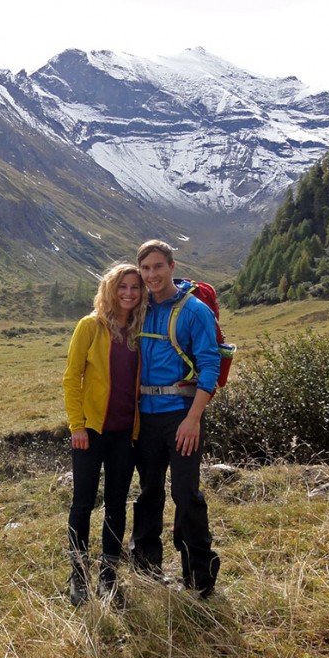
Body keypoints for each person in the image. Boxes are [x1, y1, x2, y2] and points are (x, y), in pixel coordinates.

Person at [129, 239, 222, 598]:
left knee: (186, 495)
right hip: (146, 418)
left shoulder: (194, 310)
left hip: (182, 415)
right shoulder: (139, 306)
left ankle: (200, 577)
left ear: (171, 266)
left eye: (157, 267)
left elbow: (210, 365)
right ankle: (146, 566)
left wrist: (193, 419)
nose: (151, 275)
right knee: (149, 491)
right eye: (145, 268)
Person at [62, 262, 147, 605]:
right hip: (92, 432)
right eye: (122, 286)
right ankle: (78, 575)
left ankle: (108, 577)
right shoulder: (90, 326)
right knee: (82, 503)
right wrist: (77, 425)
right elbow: (72, 377)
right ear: (111, 289)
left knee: (116, 505)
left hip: (125, 433)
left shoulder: (140, 331)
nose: (128, 293)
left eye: (135, 287)